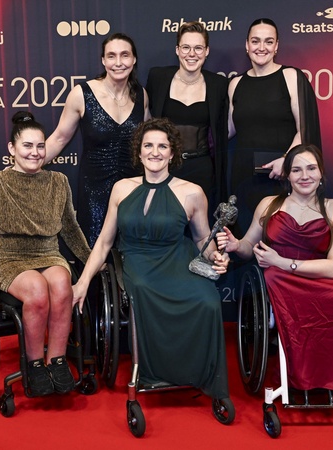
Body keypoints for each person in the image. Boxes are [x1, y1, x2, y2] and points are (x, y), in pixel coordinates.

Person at [72, 118, 231, 402]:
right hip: (136, 262)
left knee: (208, 300)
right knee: (144, 289)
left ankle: (199, 375)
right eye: (148, 146)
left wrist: (216, 256)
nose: (154, 152)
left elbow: (201, 240)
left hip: (178, 258)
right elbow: (105, 242)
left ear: (172, 153)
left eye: (162, 146)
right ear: (139, 151)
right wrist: (83, 281)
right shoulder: (122, 188)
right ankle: (157, 374)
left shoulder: (192, 192)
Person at [0, 112, 92, 397]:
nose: (35, 152)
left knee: (62, 284)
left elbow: (70, 229)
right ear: (12, 148)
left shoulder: (58, 181)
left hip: (48, 253)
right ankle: (34, 365)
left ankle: (56, 361)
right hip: (7, 257)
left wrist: (91, 260)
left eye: (40, 146)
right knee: (36, 289)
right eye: (27, 146)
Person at [220, 144, 333, 392]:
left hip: (320, 276)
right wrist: (236, 245)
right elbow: (248, 246)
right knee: (274, 279)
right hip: (278, 279)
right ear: (287, 175)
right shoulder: (269, 204)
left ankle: (324, 378)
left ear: (321, 172)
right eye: (296, 170)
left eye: (311, 168)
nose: (305, 176)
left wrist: (282, 262)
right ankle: (297, 375)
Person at [45, 33, 150, 246]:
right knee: (93, 249)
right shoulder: (82, 94)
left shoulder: (141, 95)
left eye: (125, 55)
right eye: (111, 56)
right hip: (94, 188)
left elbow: (148, 143)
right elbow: (59, 138)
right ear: (103, 60)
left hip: (133, 187)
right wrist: (26, 164)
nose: (118, 62)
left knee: (130, 248)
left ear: (134, 59)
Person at [228, 18, 321, 236]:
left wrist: (287, 161)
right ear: (247, 45)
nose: (261, 47)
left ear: (276, 46)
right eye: (255, 41)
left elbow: (305, 128)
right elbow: (229, 129)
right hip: (243, 177)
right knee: (243, 237)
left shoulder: (291, 77)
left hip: (280, 175)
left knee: (279, 236)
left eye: (268, 42)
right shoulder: (235, 84)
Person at [146, 21, 229, 210]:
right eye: (186, 47)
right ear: (177, 50)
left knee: (201, 223)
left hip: (201, 168)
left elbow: (224, 128)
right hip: (165, 166)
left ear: (207, 51)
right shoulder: (158, 78)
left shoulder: (218, 84)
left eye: (198, 48)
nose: (192, 54)